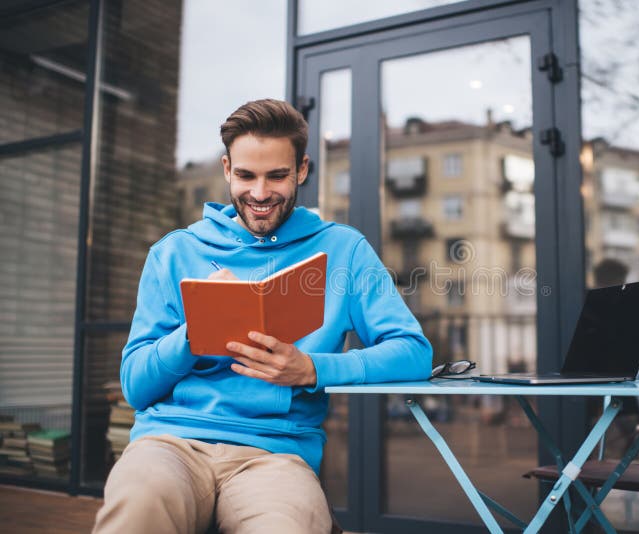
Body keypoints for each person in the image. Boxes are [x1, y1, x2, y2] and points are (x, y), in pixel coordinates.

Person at [93, 99, 433, 534]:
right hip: (169, 443)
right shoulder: (174, 252)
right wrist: (195, 330)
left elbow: (414, 353)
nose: (258, 194)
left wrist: (312, 369)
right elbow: (136, 387)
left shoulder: (344, 251)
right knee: (136, 511)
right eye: (246, 176)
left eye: (276, 176)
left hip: (275, 455)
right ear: (226, 170)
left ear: (302, 170)